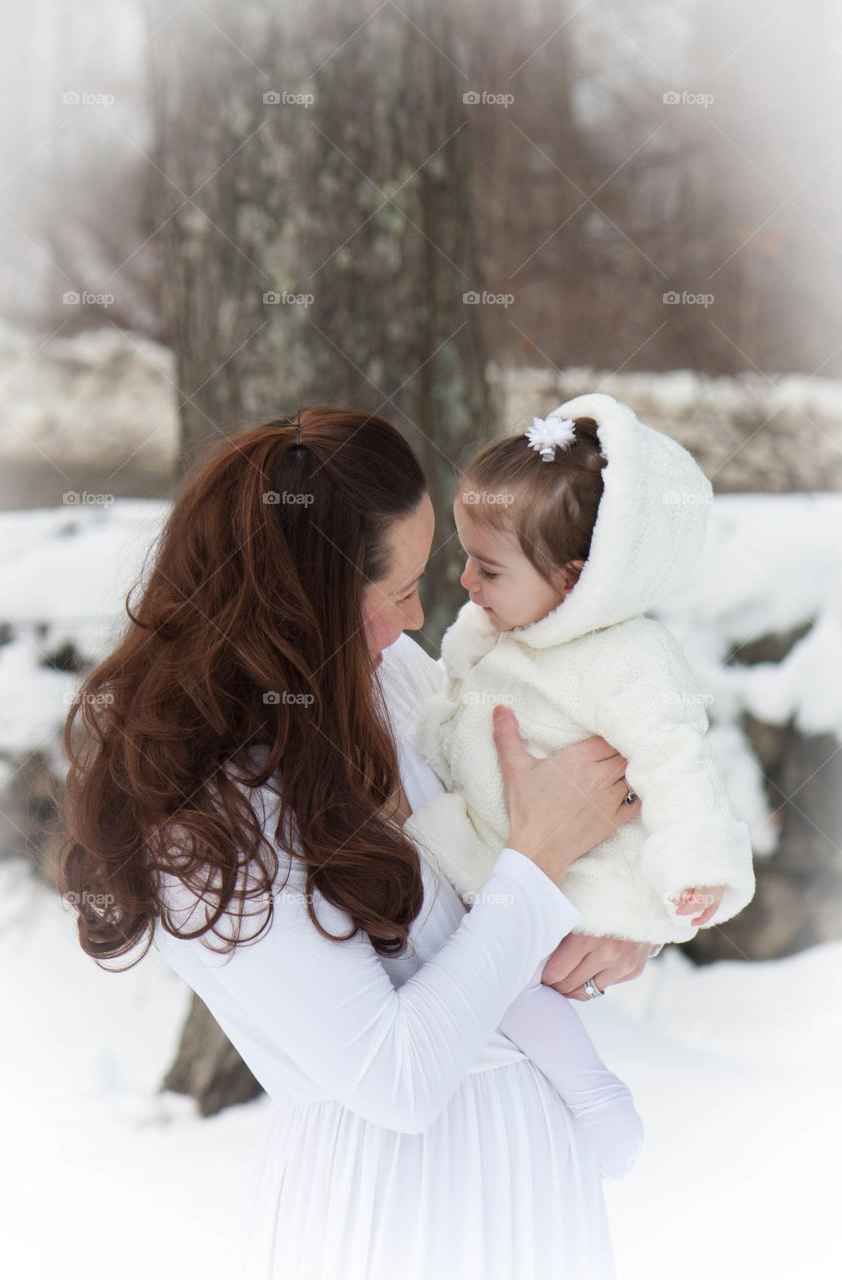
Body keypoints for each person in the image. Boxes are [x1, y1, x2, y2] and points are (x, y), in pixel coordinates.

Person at [58, 408, 658, 1280]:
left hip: (537, 1187)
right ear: (302, 602)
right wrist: (540, 865)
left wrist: (613, 919)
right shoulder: (200, 810)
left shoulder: (383, 678)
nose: (416, 619)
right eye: (395, 592)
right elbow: (394, 1080)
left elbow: (521, 844)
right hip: (393, 1209)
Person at [404, 393, 756, 955]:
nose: (466, 580)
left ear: (573, 581)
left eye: (489, 569)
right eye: (467, 556)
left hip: (583, 889)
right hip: (482, 853)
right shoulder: (501, 624)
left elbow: (674, 757)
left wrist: (696, 859)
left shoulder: (627, 658)